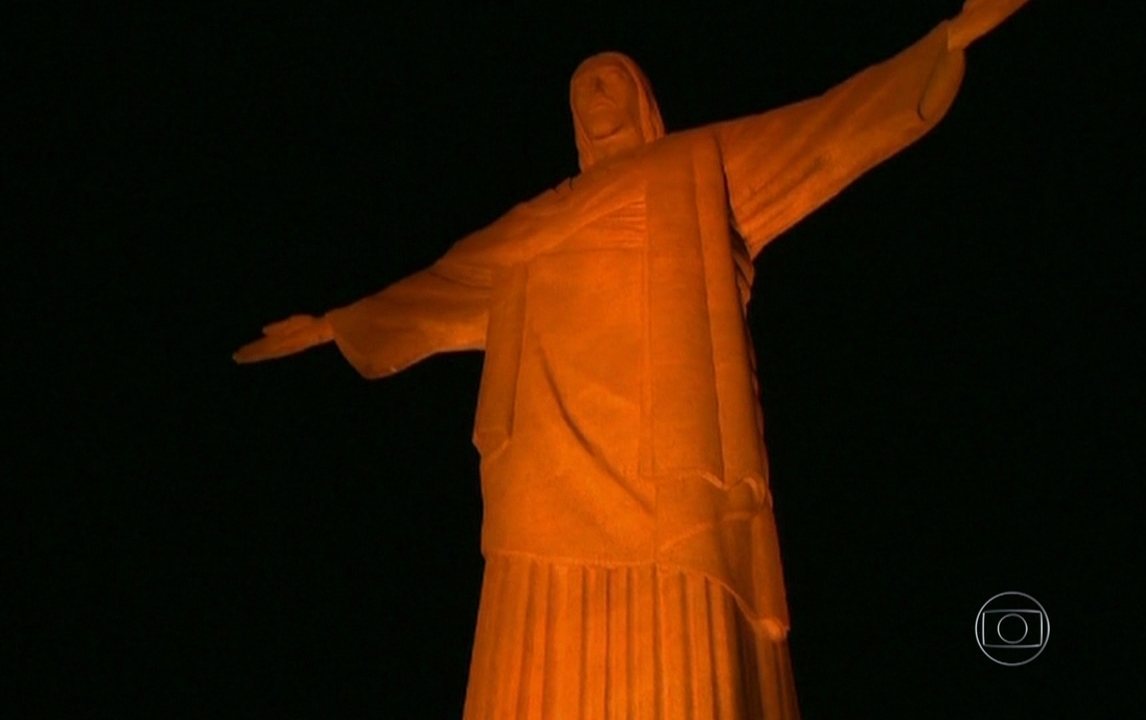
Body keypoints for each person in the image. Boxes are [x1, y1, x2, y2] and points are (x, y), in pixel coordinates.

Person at [235, 2, 1030, 717]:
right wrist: (337, 324)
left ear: (642, 99)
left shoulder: (695, 167)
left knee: (681, 638)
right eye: (581, 87)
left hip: (667, 458)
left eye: (610, 79)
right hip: (544, 464)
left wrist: (947, 38)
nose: (594, 94)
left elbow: (823, 132)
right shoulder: (531, 223)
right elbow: (438, 290)